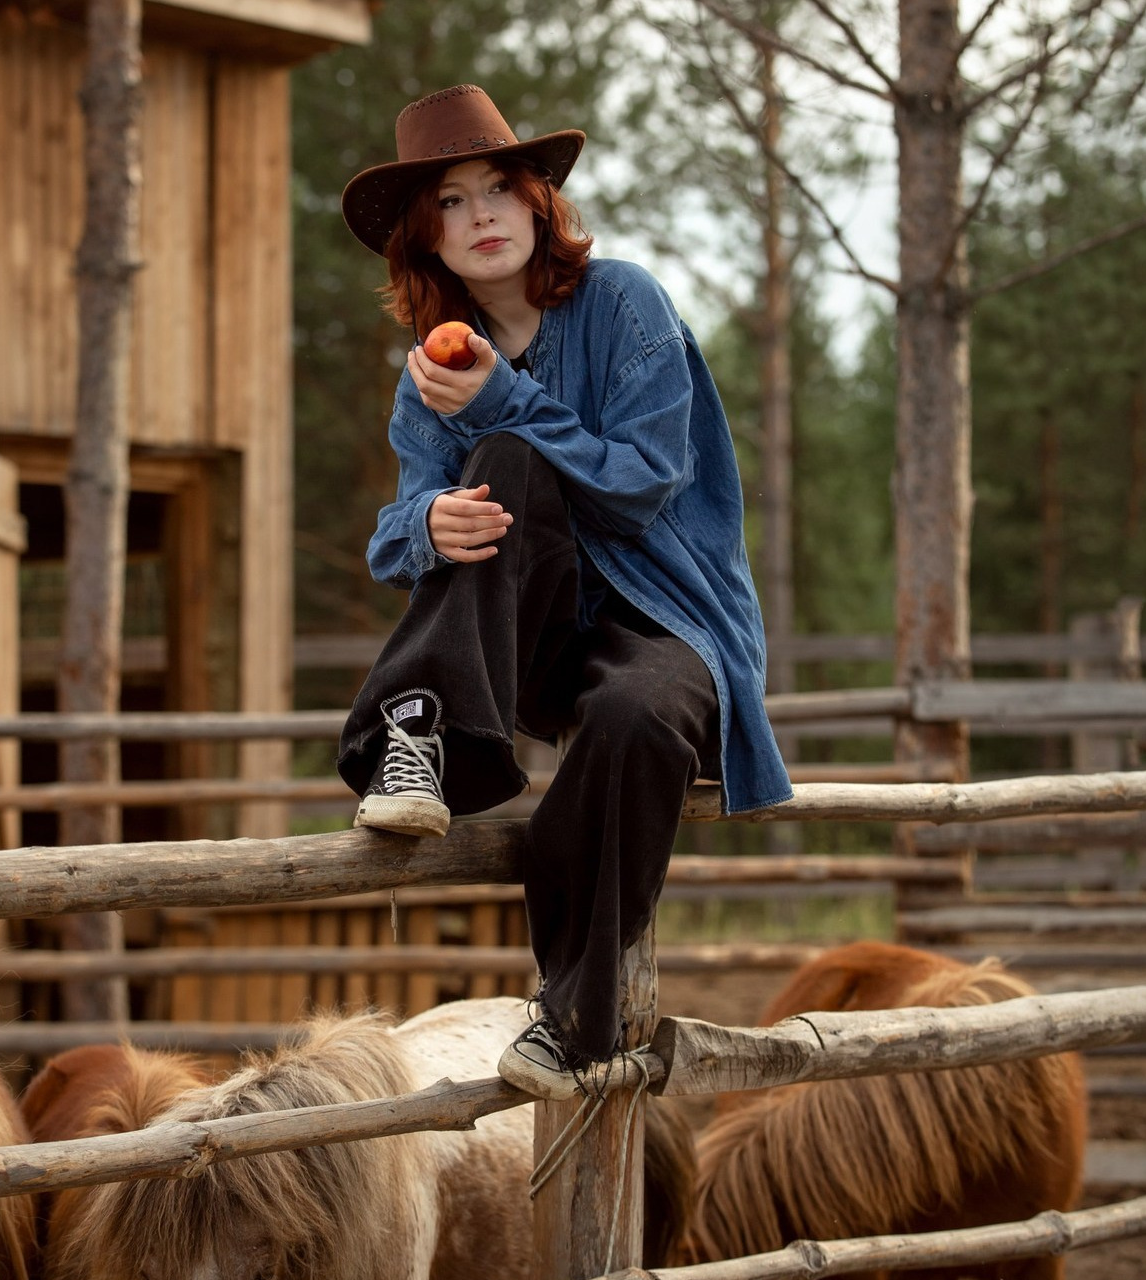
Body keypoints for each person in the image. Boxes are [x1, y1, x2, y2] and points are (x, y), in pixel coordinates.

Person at [336, 84, 792, 1100]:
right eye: (450, 202)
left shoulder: (623, 301)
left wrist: (504, 397)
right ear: (426, 239)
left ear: (538, 203)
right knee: (497, 465)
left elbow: (641, 483)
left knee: (635, 712)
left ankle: (572, 1017)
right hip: (528, 634)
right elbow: (390, 533)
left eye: (499, 188)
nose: (481, 215)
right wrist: (429, 524)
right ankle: (417, 733)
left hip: (666, 622)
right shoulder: (429, 376)